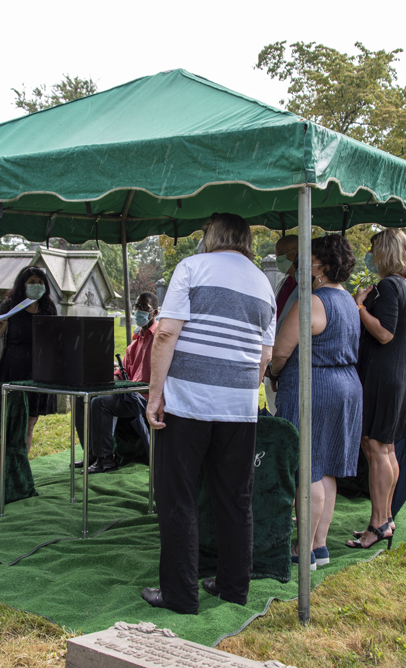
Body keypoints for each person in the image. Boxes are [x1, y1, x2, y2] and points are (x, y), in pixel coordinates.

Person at [142, 213, 276, 614]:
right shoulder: (262, 283)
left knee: (178, 497)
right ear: (247, 240)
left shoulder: (192, 268)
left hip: (187, 404)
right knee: (236, 500)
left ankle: (180, 595)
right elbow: (264, 356)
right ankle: (234, 588)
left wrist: (154, 394)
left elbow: (166, 333)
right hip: (239, 408)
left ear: (212, 236)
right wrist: (240, 391)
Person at [268, 234, 362, 569]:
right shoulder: (349, 300)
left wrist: (272, 372)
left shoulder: (312, 301)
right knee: (327, 470)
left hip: (313, 386)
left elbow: (281, 351)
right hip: (347, 386)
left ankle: (302, 549)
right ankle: (319, 547)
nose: (300, 264)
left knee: (308, 468)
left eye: (307, 258)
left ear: (320, 265)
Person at [347, 228, 406, 550]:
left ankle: (378, 524)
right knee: (387, 448)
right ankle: (386, 518)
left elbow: (384, 334)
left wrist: (359, 308)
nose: (370, 256)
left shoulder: (388, 287)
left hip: (380, 377)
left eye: (373, 250)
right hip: (399, 376)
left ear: (384, 252)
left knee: (375, 448)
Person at [73, 292, 160, 474]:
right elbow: (120, 374)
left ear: (156, 312)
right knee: (81, 398)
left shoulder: (160, 338)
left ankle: (106, 459)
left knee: (101, 403)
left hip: (147, 398)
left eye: (144, 308)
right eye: (137, 307)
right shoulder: (135, 343)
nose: (138, 312)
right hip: (128, 395)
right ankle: (91, 453)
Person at [0, 265, 59, 450]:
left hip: (39, 374)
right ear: (22, 285)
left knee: (29, 425)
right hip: (12, 371)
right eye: (32, 282)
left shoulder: (48, 308)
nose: (37, 285)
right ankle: (4, 463)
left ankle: (21, 463)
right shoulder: (10, 305)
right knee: (10, 424)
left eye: (40, 282)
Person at [264, 234, 299, 414]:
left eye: (282, 254)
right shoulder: (285, 282)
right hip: (275, 361)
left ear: (297, 253)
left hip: (290, 362)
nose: (279, 259)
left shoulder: (307, 287)